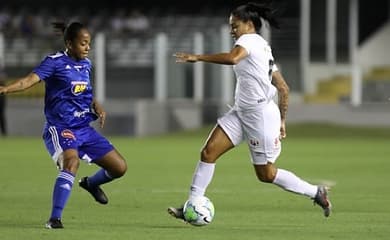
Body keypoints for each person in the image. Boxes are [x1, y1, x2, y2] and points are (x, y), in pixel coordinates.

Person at [167, 1, 332, 221]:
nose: (231, 31)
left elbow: (233, 58)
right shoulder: (262, 47)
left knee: (266, 175)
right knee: (208, 153)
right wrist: (282, 120)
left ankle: (315, 192)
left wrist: (198, 57)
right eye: (231, 26)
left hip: (260, 117)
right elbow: (283, 87)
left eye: (235, 26)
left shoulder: (249, 41)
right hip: (242, 113)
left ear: (248, 23)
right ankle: (193, 204)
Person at [0, 22, 127, 229]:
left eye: (89, 43)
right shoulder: (54, 63)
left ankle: (90, 184)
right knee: (71, 162)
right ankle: (54, 218)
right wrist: (6, 89)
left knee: (120, 168)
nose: (88, 47)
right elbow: (28, 81)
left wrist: (98, 106)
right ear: (69, 43)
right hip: (60, 128)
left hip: (84, 128)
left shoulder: (85, 64)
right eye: (83, 43)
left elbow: (86, 93)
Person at [0, 71, 7, 136]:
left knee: (1, 116)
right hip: (2, 100)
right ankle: (4, 132)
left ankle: (4, 133)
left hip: (1, 101)